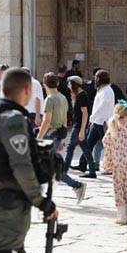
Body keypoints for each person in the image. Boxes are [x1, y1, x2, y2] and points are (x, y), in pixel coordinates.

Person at [0, 67, 58, 253]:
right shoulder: (14, 120)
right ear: (26, 89)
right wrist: (40, 201)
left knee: (11, 252)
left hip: (1, 194)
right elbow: (21, 165)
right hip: (11, 198)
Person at [37, 73, 86, 203]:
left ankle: (76, 185)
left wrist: (39, 138)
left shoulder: (50, 99)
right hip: (58, 134)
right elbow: (65, 118)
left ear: (44, 84)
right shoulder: (62, 97)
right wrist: (63, 138)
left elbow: (46, 121)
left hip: (49, 136)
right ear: (58, 84)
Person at [77, 69, 114, 174]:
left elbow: (101, 107)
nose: (95, 80)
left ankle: (110, 166)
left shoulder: (107, 90)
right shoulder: (102, 90)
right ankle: (82, 164)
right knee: (88, 144)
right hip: (97, 122)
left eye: (96, 78)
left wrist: (92, 118)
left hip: (102, 122)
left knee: (108, 146)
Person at [64, 76, 96, 178]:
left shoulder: (82, 96)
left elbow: (85, 114)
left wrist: (82, 130)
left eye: (69, 83)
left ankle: (64, 169)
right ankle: (92, 171)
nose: (68, 85)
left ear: (74, 84)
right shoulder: (77, 95)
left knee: (70, 148)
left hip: (78, 127)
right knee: (85, 149)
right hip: (77, 125)